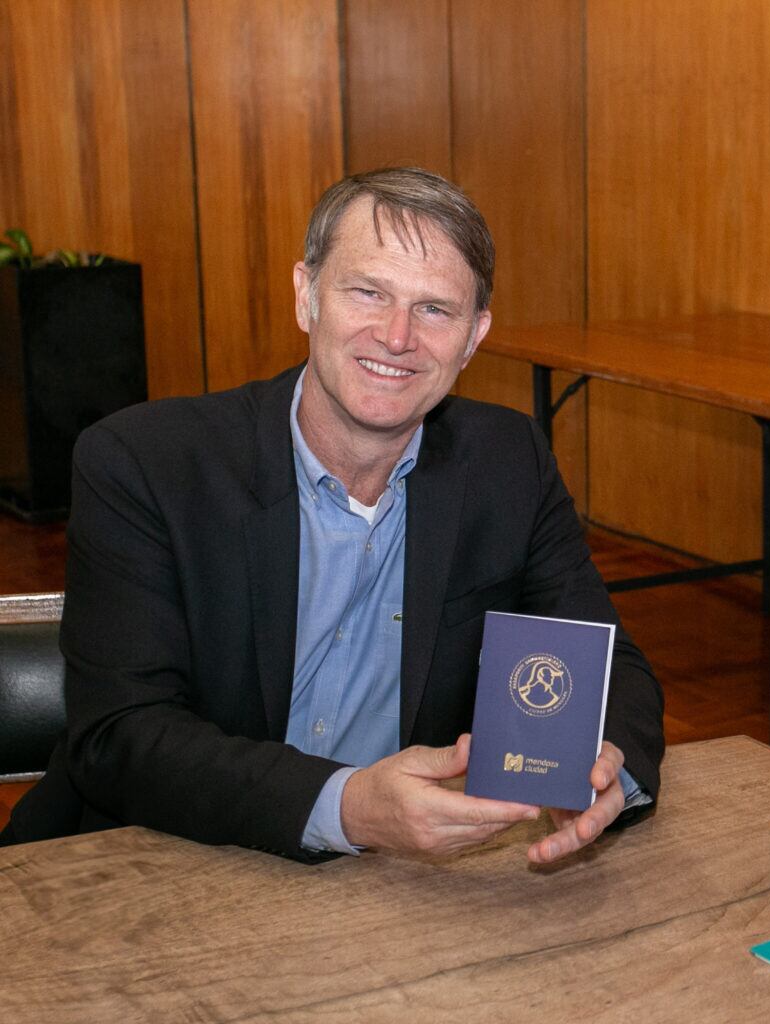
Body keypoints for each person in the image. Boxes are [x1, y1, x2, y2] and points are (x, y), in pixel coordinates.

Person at [1, 168, 664, 865]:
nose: (397, 335)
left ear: (474, 337)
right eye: (368, 292)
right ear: (306, 296)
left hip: (389, 889)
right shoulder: (145, 464)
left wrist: (604, 770)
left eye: (435, 309)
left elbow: (611, 663)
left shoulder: (508, 461)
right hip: (149, 864)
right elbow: (122, 737)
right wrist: (347, 806)